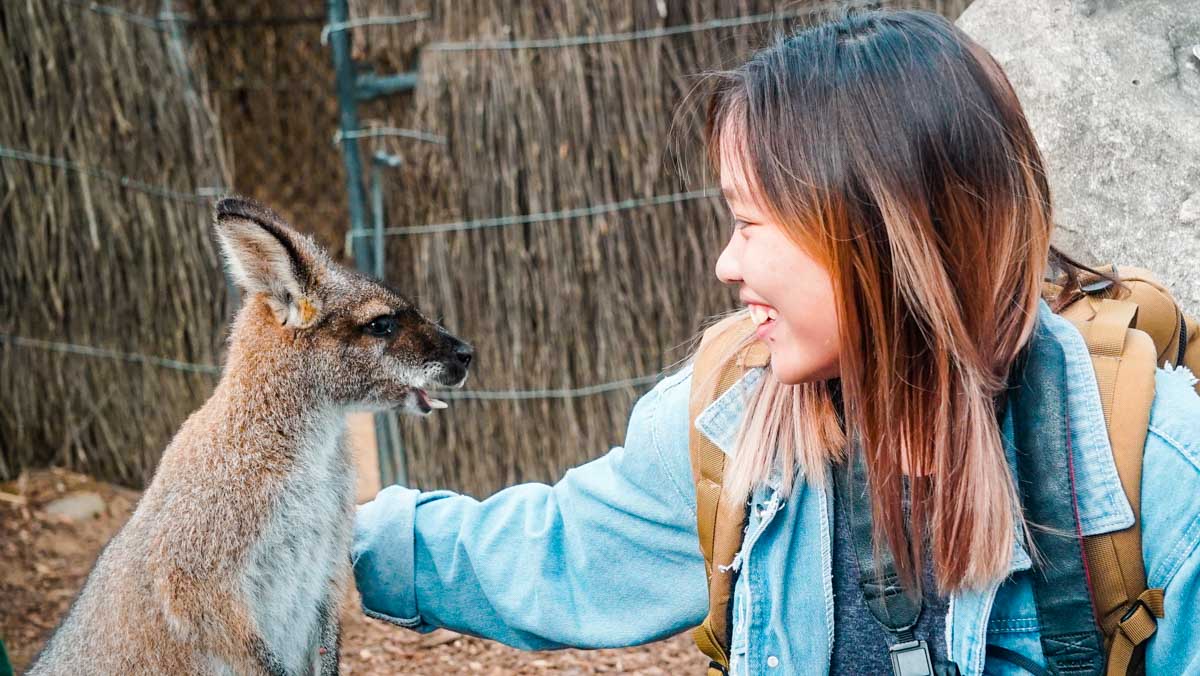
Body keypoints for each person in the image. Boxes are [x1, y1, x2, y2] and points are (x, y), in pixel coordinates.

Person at [351, 7, 1200, 674]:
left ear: (879, 234)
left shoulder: (1152, 476)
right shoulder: (733, 421)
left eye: (752, 223)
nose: (726, 263)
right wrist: (321, 541)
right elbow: (557, 552)